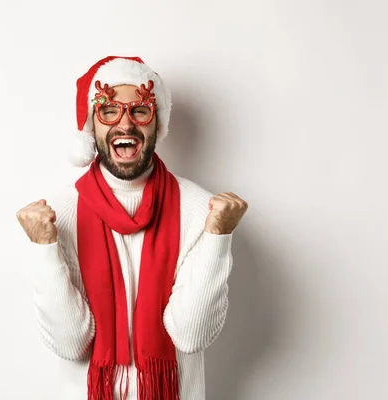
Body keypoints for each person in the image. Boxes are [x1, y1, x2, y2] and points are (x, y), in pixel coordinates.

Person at [16, 56, 248, 400]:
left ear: (158, 124)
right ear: (91, 128)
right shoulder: (57, 216)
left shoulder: (201, 210)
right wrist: (44, 250)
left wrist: (218, 238)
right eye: (109, 111)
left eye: (140, 110)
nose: (125, 124)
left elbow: (190, 336)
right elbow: (70, 343)